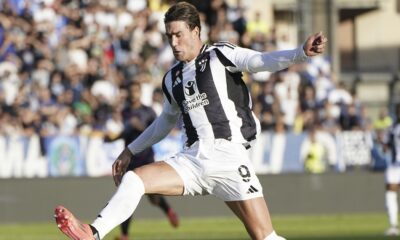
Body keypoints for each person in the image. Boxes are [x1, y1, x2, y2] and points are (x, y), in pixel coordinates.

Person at [54, 2, 327, 240]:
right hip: (192, 160)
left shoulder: (221, 55)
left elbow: (261, 60)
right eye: (169, 36)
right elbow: (164, 122)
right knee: (135, 179)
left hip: (228, 157)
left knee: (264, 236)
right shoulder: (171, 78)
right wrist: (130, 150)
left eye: (179, 35)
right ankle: (94, 232)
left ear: (196, 31)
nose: (174, 43)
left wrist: (300, 53)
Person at [105, 82, 179, 240]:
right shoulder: (124, 112)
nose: (133, 94)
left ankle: (168, 211)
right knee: (126, 196)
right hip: (130, 160)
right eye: (131, 91)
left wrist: (138, 126)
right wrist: (112, 138)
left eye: (135, 91)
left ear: (139, 92)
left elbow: (155, 132)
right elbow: (125, 133)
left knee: (153, 198)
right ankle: (124, 235)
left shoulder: (148, 111)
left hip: (146, 157)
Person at [384, 104, 400, 236]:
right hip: (395, 165)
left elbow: (385, 146)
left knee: (391, 193)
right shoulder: (392, 128)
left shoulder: (393, 128)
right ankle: (393, 225)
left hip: (396, 165)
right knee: (391, 192)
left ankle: (394, 226)